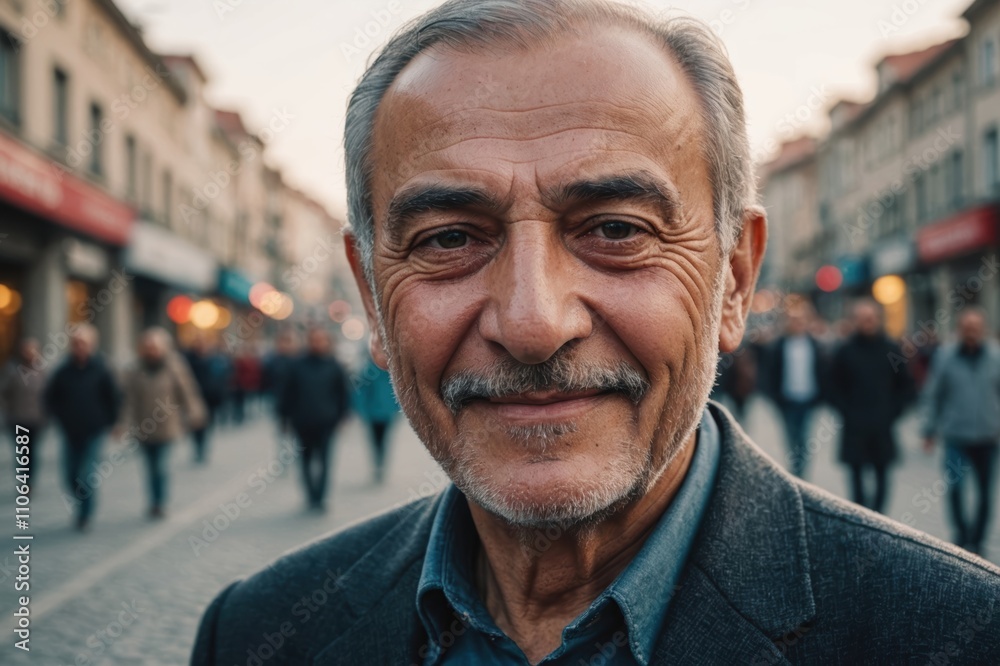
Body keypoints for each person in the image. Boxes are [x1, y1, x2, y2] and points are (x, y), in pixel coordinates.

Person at [192, 2, 1000, 663]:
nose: (533, 323)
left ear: (734, 279)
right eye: (449, 239)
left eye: (617, 229)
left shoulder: (961, 636)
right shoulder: (257, 635)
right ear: (372, 296)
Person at [922, 308, 1000, 556]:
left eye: (975, 327)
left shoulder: (995, 357)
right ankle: (961, 535)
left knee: (985, 492)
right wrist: (929, 429)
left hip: (987, 436)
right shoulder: (945, 357)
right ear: (959, 329)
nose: (971, 332)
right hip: (956, 435)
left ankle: (977, 540)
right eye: (967, 327)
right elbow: (934, 394)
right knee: (955, 489)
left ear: (983, 329)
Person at [830, 300, 915, 514]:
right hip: (854, 426)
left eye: (870, 318)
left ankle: (879, 518)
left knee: (882, 475)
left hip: (882, 425)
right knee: (856, 478)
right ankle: (860, 519)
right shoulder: (845, 350)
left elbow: (906, 386)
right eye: (862, 318)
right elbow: (832, 386)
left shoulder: (891, 349)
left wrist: (892, 412)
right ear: (854, 321)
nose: (867, 322)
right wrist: (846, 411)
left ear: (878, 319)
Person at [119, 328, 206, 519]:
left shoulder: (174, 366)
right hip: (143, 427)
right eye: (147, 347)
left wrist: (194, 412)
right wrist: (123, 423)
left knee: (160, 466)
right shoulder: (135, 370)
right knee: (150, 467)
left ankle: (159, 502)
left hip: (167, 426)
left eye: (154, 347)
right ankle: (153, 499)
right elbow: (129, 400)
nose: (151, 350)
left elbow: (187, 391)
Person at [44, 325, 120, 531]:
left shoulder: (101, 369)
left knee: (86, 474)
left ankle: (85, 513)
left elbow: (113, 397)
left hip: (94, 430)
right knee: (70, 474)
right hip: (70, 431)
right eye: (76, 343)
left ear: (92, 345)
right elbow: (51, 398)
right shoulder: (63, 371)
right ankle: (81, 503)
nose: (79, 347)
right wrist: (59, 417)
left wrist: (113, 422)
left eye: (83, 343)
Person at [278, 328, 350, 512]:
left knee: (325, 461)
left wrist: (343, 415)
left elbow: (342, 393)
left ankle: (321, 497)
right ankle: (310, 495)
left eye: (321, 340)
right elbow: (287, 394)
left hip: (326, 422)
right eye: (314, 340)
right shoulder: (297, 365)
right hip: (302, 422)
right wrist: (284, 418)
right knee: (305, 460)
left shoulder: (334, 366)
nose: (317, 343)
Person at [764, 305, 827, 478]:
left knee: (804, 436)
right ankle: (796, 469)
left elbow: (823, 371)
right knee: (792, 436)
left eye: (800, 320)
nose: (797, 324)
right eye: (793, 320)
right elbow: (770, 373)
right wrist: (774, 397)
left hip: (808, 398)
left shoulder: (815, 345)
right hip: (787, 399)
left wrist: (822, 396)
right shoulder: (779, 346)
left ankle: (801, 472)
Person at [1, 338, 48, 483]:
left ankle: (29, 479)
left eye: (33, 350)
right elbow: (4, 393)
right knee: (22, 451)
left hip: (36, 419)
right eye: (27, 350)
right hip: (18, 419)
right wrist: (8, 412)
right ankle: (24, 480)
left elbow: (49, 395)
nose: (30, 353)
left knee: (32, 451)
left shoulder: (42, 371)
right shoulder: (12, 370)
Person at [353, 349, 400, 484]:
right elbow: (360, 391)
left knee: (383, 439)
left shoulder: (390, 370)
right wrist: (362, 410)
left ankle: (380, 463)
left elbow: (397, 392)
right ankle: (378, 462)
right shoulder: (368, 370)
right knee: (375, 440)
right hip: (372, 413)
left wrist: (396, 408)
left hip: (386, 412)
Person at [184, 335, 231, 463]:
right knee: (195, 424)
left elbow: (222, 377)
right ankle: (198, 446)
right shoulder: (189, 360)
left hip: (210, 398)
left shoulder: (215, 359)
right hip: (194, 397)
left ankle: (203, 447)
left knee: (207, 424)